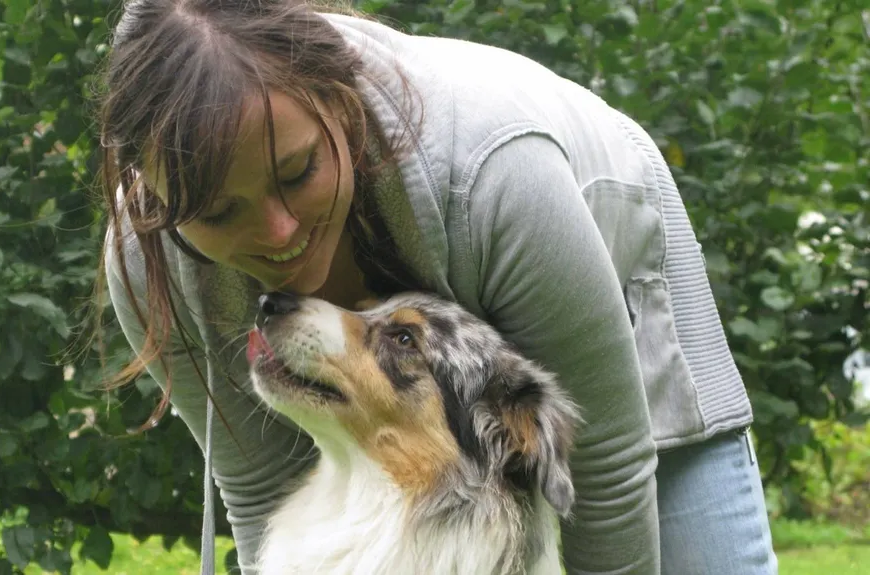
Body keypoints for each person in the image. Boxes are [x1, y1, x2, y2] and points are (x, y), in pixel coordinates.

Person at [97, 1, 778, 573]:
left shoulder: (495, 172)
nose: (276, 232)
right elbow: (259, 487)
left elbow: (608, 465)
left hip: (608, 256)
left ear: (336, 101)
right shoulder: (145, 261)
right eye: (219, 211)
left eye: (297, 170)